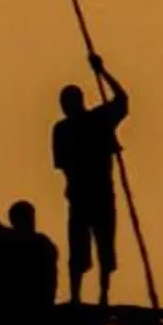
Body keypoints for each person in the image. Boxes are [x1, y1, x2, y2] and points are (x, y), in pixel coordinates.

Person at [51, 53, 129, 304]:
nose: (66, 108)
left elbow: (122, 99)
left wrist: (102, 71)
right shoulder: (62, 130)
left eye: (68, 103)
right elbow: (63, 165)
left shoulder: (98, 119)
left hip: (100, 194)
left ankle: (103, 295)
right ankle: (76, 296)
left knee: (104, 246)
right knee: (78, 248)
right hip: (80, 197)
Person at [5, 200, 60, 309]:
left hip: (39, 300)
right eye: (27, 217)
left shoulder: (8, 242)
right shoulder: (42, 242)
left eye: (31, 217)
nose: (32, 221)